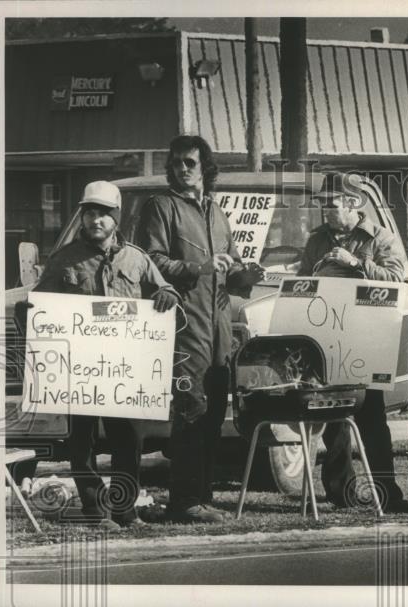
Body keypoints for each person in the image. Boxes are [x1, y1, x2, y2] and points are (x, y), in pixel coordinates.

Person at [17, 181, 180, 531]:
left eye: (104, 214)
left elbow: (164, 289)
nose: (96, 220)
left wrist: (168, 295)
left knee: (128, 443)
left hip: (125, 370)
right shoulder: (63, 261)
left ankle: (126, 511)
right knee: (83, 443)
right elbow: (39, 307)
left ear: (116, 218)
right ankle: (94, 512)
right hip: (82, 372)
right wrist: (29, 313)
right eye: (90, 213)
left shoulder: (137, 258)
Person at [135, 135, 264, 523]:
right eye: (176, 162)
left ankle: (202, 498)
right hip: (185, 326)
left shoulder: (216, 211)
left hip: (219, 328)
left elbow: (232, 268)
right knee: (190, 412)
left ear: (205, 166)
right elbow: (151, 262)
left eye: (190, 162)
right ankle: (184, 501)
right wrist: (198, 268)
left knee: (211, 416)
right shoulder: (160, 207)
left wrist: (246, 274)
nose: (182, 168)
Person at [297, 171, 408, 514]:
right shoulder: (316, 241)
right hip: (329, 338)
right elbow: (304, 282)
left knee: (372, 418)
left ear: (352, 203)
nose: (324, 211)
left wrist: (357, 264)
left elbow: (397, 279)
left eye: (331, 204)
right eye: (321, 205)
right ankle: (340, 492)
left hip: (366, 339)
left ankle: (387, 492)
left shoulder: (381, 239)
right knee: (333, 418)